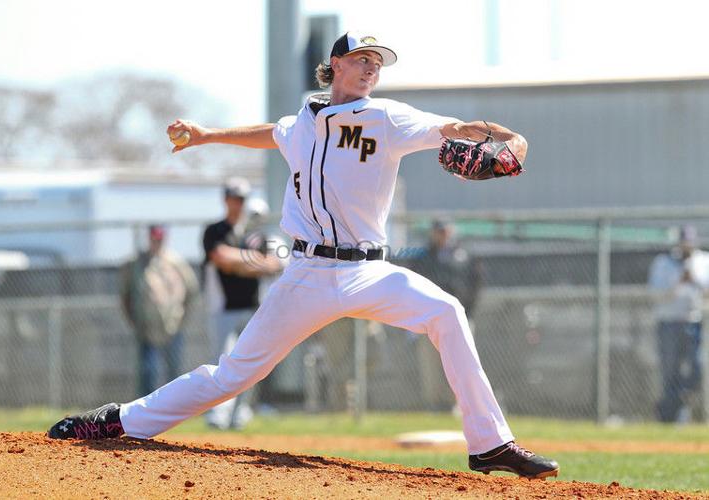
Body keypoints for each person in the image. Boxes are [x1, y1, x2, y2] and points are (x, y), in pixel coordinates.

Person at [48, 31, 558, 479]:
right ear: (335, 64)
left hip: (368, 270)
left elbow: (456, 129)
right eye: (363, 58)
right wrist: (208, 135)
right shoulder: (302, 122)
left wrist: (511, 140)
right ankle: (118, 420)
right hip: (307, 274)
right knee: (233, 375)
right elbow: (269, 134)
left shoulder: (387, 117)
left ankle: (491, 444)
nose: (372, 67)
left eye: (378, 62)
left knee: (446, 312)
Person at [202, 178, 283, 429]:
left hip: (252, 309)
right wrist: (252, 262)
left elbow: (273, 264)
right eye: (234, 198)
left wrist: (240, 263)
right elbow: (221, 258)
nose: (238, 204)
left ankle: (239, 414)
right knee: (222, 364)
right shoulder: (215, 230)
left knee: (248, 363)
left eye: (242, 199)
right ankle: (218, 416)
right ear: (225, 199)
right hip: (223, 309)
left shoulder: (254, 235)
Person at [401, 218, 484, 411]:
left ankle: (458, 404)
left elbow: (476, 284)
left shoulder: (465, 255)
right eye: (439, 231)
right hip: (428, 320)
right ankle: (434, 404)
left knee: (460, 363)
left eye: (445, 230)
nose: (442, 235)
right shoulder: (422, 257)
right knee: (430, 364)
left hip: (461, 318)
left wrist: (468, 312)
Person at [119, 225, 199, 396]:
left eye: (160, 239)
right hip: (147, 328)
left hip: (172, 325)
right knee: (148, 372)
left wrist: (183, 318)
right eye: (154, 239)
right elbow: (125, 295)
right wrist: (133, 320)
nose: (157, 242)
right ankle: (144, 410)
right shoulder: (137, 263)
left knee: (174, 371)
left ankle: (176, 405)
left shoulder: (175, 261)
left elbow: (192, 290)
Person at [648, 225, 709, 423]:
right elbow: (655, 294)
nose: (686, 246)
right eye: (683, 242)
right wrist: (678, 283)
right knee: (670, 372)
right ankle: (670, 417)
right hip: (669, 323)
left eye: (689, 242)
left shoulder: (702, 261)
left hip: (694, 322)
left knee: (697, 369)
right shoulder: (664, 262)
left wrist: (694, 281)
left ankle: (676, 403)